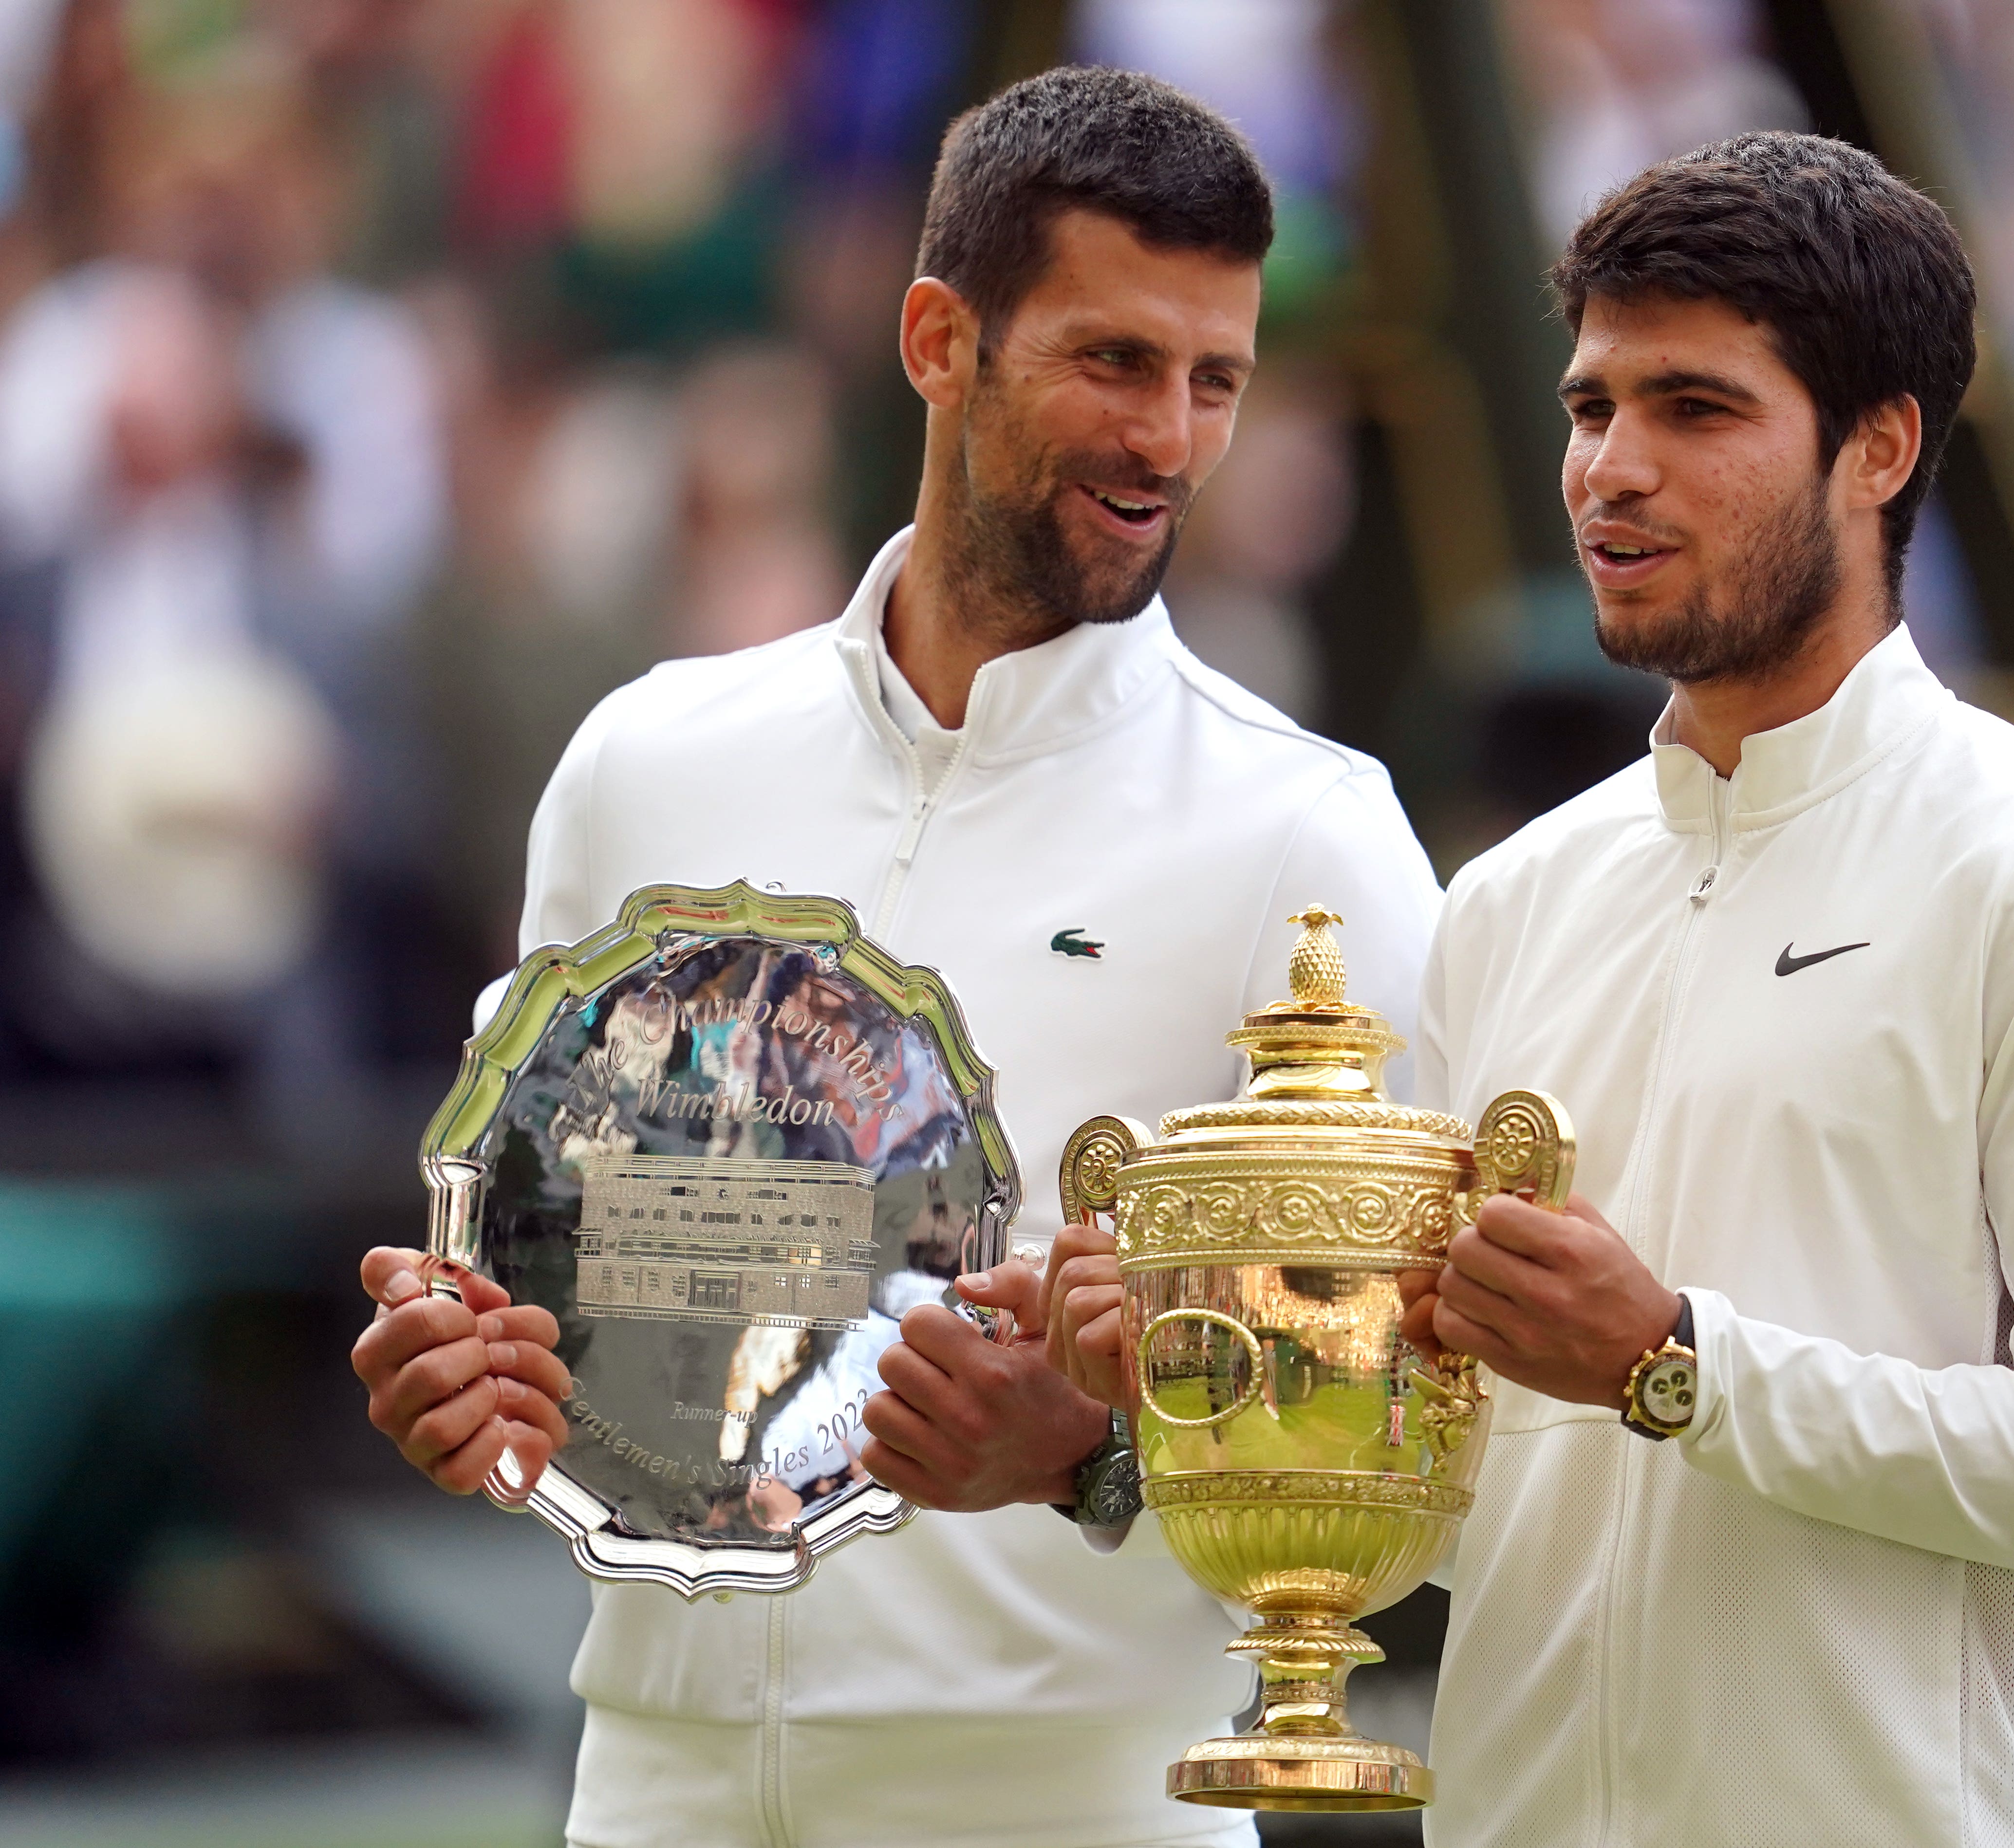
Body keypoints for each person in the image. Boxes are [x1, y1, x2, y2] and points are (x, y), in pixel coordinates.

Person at [1051, 131, 2014, 1847]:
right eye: (1591, 407)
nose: (1611, 469)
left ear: (1882, 447)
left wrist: (1679, 1365)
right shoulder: (1512, 905)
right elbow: (1510, 1510)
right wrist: (1227, 1377)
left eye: (1696, 409)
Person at [347, 66, 1440, 1848]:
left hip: (1080, 1804)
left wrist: (1078, 1461)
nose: (1170, 435)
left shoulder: (1312, 838)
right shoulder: (646, 760)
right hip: (651, 1787)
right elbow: (536, 1272)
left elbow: (1426, 1436)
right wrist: (458, 1378)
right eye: (1113, 360)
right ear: (939, 339)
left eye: (1216, 379)